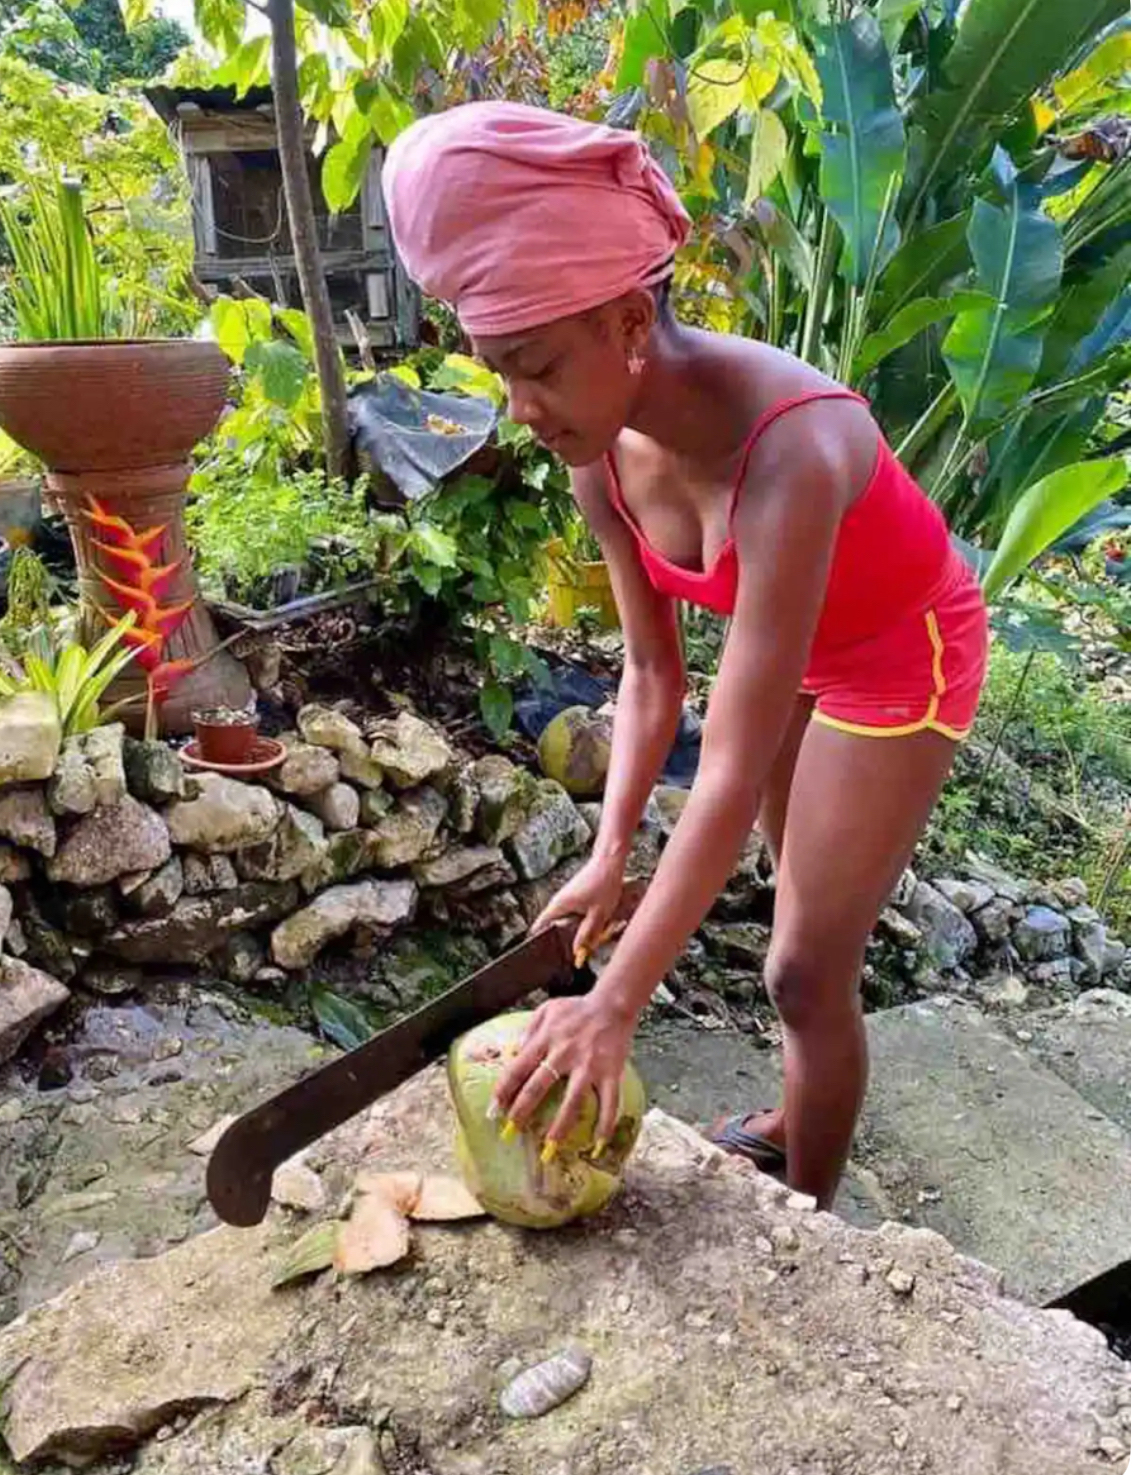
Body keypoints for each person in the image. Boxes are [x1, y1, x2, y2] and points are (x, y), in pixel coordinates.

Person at [383, 101, 988, 1210]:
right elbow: (654, 676)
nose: (519, 409)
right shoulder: (596, 451)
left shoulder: (793, 449)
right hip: (798, 652)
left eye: (535, 367)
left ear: (624, 320)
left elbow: (723, 760)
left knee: (804, 970)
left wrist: (615, 1000)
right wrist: (611, 849)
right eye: (496, 372)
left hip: (902, 654)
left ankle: (808, 1212)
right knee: (784, 909)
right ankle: (799, 1106)